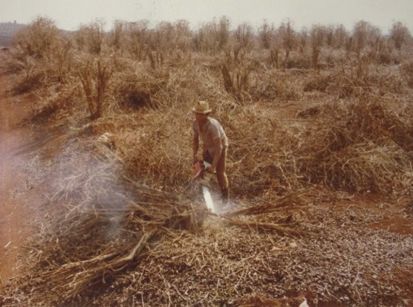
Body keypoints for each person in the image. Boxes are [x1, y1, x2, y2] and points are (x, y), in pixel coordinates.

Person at [192, 100, 229, 204]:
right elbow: (195, 140)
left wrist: (213, 166)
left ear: (206, 115)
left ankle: (225, 199)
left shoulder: (213, 126)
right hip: (208, 146)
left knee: (220, 173)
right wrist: (194, 156)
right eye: (197, 114)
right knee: (203, 173)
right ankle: (204, 200)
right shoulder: (195, 124)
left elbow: (219, 148)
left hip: (220, 147)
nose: (198, 117)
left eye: (201, 114)